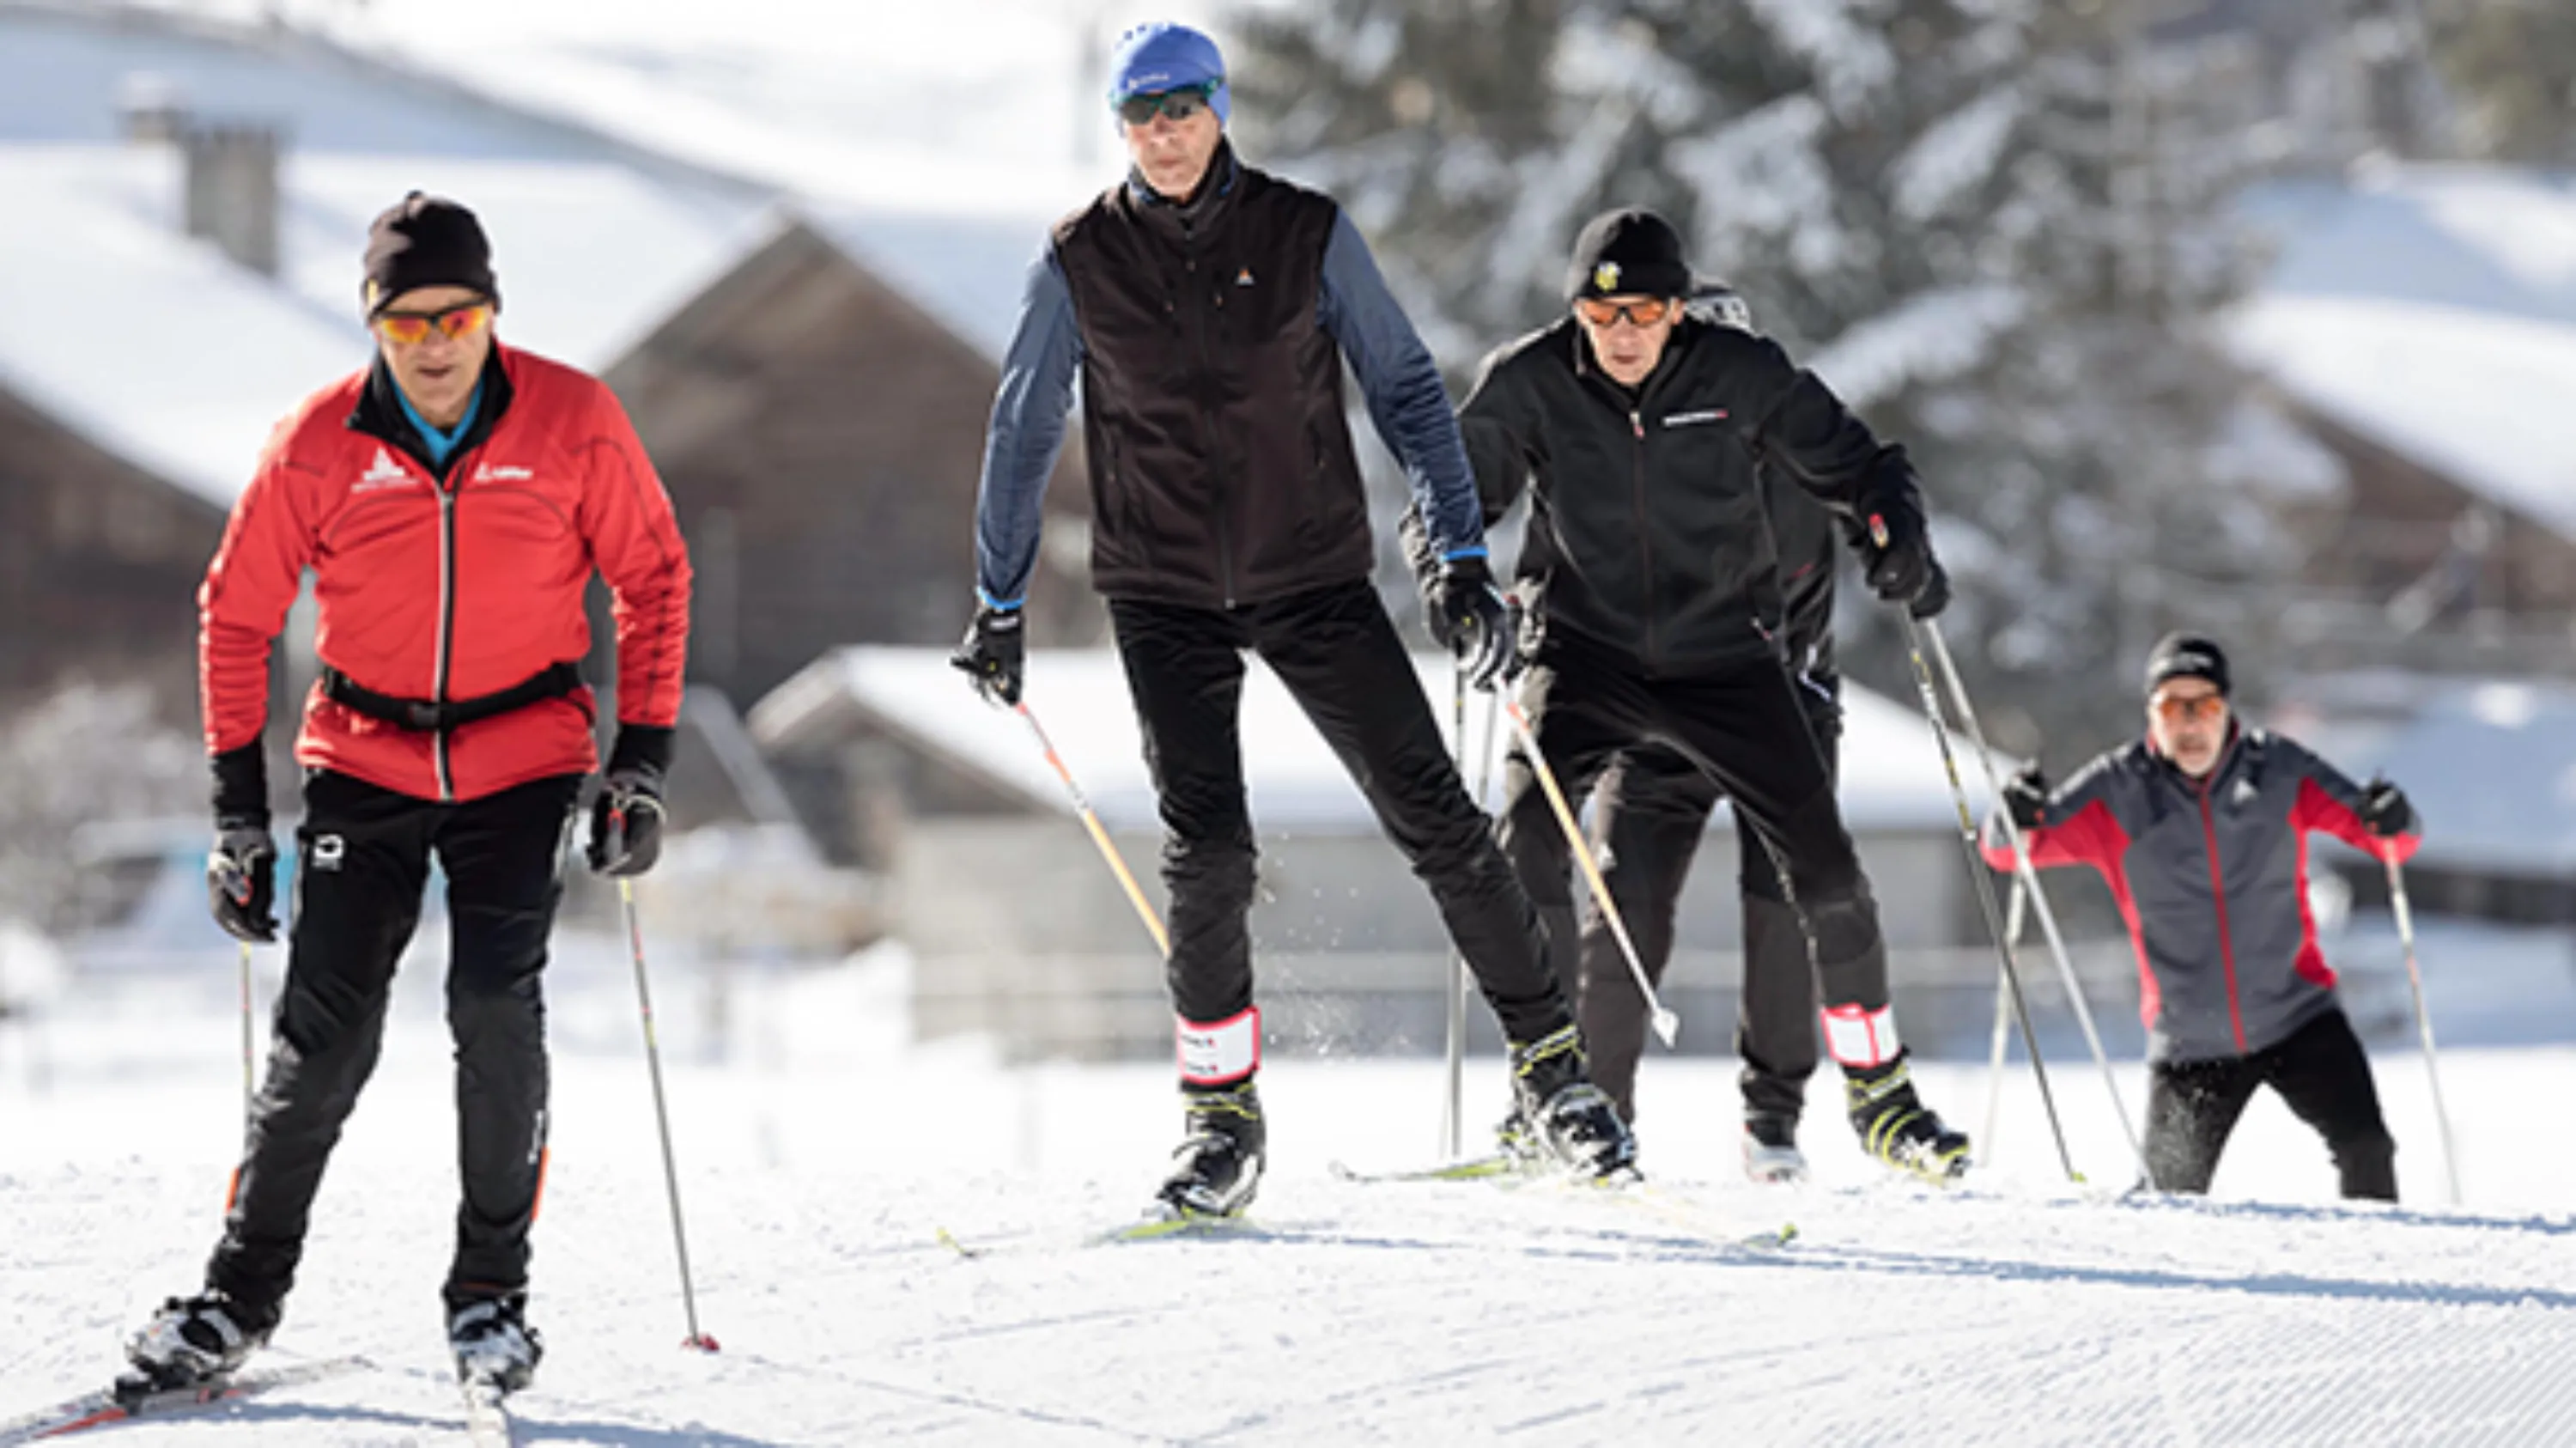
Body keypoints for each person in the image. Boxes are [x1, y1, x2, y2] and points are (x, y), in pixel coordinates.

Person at [951, 21, 1633, 1220]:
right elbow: (1021, 427)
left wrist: (1461, 552)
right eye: (1142, 117)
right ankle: (1220, 1119)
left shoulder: (1304, 231)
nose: (1165, 136)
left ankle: (1557, 1077)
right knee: (1208, 848)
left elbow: (1409, 387)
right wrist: (997, 596)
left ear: (1220, 109)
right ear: (1121, 127)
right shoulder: (1077, 261)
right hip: (1161, 591)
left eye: (1184, 110)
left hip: (1312, 574)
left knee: (1435, 815)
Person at [125, 193, 692, 1395]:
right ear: (374, 325)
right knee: (322, 1041)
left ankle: (490, 1296)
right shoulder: (318, 439)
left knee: (495, 1006)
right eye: (406, 321)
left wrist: (640, 759)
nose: (435, 342)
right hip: (365, 759)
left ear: (493, 313)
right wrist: (239, 810)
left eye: (458, 314)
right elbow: (237, 612)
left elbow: (654, 576)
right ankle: (236, 1296)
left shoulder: (574, 419)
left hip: (522, 755)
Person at [1444, 206, 1971, 1183]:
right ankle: (1552, 1088)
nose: (1624, 334)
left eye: (1644, 311)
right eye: (1602, 317)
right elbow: (1452, 496)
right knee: (1526, 839)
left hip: (1729, 665)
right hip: (1586, 656)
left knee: (1826, 877)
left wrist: (1896, 531)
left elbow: (1861, 468)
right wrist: (1456, 575)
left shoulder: (1741, 376)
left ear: (1679, 311)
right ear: (1576, 313)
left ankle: (1879, 1093)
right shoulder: (1531, 380)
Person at [1984, 634, 2418, 1201]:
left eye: (2204, 706)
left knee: (2368, 1147)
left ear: (2226, 709)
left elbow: (2386, 838)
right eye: (2172, 706)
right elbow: (2015, 849)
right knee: (2168, 1200)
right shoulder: (2119, 788)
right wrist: (2012, 815)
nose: (2190, 724)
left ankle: (2379, 1267)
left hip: (2298, 1015)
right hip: (2192, 1041)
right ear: (2151, 714)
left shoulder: (2278, 770)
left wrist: (2392, 817)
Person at [1572, 316, 1846, 1179]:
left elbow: (1805, 595)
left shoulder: (1792, 460)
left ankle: (1773, 1120)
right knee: (1622, 910)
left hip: (1779, 711)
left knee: (1785, 906)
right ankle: (1594, 1115)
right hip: (1653, 728)